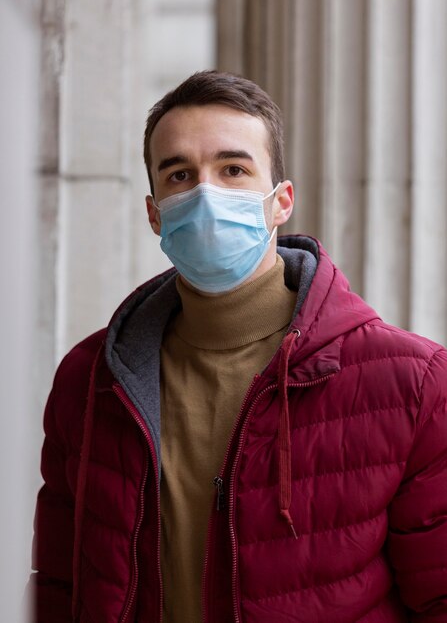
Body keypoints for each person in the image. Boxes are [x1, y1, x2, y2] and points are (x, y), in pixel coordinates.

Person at [30, 70, 447, 623]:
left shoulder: (414, 383)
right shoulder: (89, 380)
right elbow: (60, 588)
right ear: (155, 213)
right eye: (180, 174)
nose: (205, 193)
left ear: (282, 201)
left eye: (233, 169)